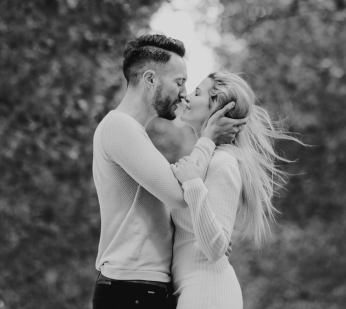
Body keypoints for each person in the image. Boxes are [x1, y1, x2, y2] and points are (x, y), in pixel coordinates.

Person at [91, 35, 246, 309]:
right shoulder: (119, 127)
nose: (184, 93)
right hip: (131, 288)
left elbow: (174, 197)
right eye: (179, 82)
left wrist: (209, 234)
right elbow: (179, 194)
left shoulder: (134, 134)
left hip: (144, 288)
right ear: (150, 79)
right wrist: (208, 137)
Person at [170, 72, 303, 309]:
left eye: (197, 93)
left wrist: (193, 185)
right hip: (193, 290)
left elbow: (215, 248)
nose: (187, 97)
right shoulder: (202, 161)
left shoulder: (223, 163)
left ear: (216, 108)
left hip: (208, 293)